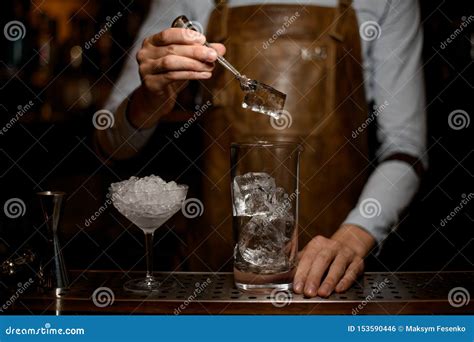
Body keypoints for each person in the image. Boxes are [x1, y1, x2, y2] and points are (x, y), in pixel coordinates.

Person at [95, 0, 427, 298]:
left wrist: (356, 237)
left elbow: (407, 148)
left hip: (333, 286)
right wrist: (148, 101)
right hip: (213, 280)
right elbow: (111, 143)